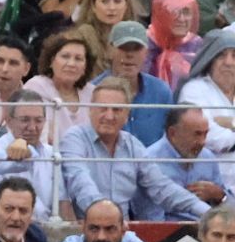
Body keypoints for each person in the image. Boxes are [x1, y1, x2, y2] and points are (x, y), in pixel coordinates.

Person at [60, 79, 210, 222]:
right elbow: (80, 182)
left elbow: (162, 187)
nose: (109, 116)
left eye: (117, 110)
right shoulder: (75, 138)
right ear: (91, 110)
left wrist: (207, 212)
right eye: (103, 108)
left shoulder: (132, 145)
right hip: (87, 229)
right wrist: (105, 216)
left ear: (127, 115)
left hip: (123, 232)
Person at [0, 90, 61, 219]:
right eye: (25, 120)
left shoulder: (53, 154)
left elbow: (63, 204)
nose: (32, 127)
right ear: (9, 121)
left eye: (39, 120)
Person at [24, 28, 100, 142]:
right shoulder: (36, 87)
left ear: (85, 67)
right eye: (65, 56)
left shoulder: (93, 93)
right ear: (51, 61)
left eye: (78, 59)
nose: (71, 64)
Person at [145, 106, 227, 210]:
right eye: (197, 134)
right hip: (169, 225)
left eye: (205, 134)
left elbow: (226, 209)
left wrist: (219, 195)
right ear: (172, 133)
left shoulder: (208, 157)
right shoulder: (149, 161)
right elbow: (151, 219)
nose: (203, 142)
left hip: (207, 224)